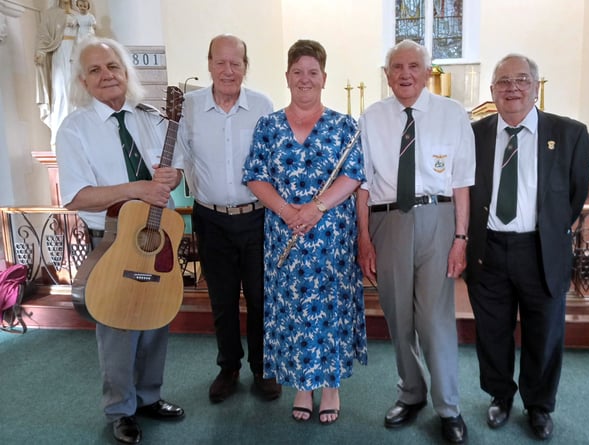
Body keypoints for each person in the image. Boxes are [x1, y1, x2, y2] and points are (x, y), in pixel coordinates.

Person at [56, 37, 185, 445]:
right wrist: (137, 188)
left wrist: (170, 178)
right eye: (95, 70)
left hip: (151, 233)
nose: (106, 75)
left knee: (155, 320)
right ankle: (120, 410)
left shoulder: (149, 117)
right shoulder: (75, 129)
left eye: (112, 66)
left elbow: (174, 169)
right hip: (109, 239)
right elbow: (77, 196)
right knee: (116, 328)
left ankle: (149, 397)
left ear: (125, 71)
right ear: (83, 80)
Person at [465, 54, 589, 441]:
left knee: (544, 332)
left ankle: (539, 405)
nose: (512, 88)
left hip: (540, 250)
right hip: (489, 249)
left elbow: (575, 195)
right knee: (493, 331)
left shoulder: (570, 134)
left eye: (521, 80)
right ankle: (500, 395)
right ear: (492, 91)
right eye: (503, 81)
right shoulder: (474, 134)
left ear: (536, 87)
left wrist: (548, 232)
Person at [243, 39, 367, 425]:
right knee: (293, 312)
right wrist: (285, 210)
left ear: (324, 78)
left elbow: (354, 175)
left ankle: (329, 387)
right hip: (284, 236)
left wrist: (315, 208)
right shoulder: (267, 126)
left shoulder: (345, 125)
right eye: (297, 72)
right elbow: (254, 176)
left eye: (313, 72)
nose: (305, 79)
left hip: (330, 238)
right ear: (287, 76)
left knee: (329, 312)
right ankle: (302, 385)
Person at [356, 39, 473, 444]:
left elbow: (460, 185)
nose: (405, 74)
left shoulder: (453, 114)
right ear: (387, 74)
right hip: (387, 222)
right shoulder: (370, 118)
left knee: (435, 320)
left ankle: (448, 407)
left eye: (413, 66)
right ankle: (411, 392)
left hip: (438, 219)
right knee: (398, 318)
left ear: (426, 72)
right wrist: (363, 239)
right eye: (397, 67)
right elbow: (363, 186)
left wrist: (461, 238)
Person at [175, 34, 281, 403]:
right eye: (220, 62)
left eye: (236, 63)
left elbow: (275, 164)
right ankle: (229, 367)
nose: (228, 70)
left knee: (259, 298)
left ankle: (262, 367)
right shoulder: (188, 108)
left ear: (245, 67)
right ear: (209, 65)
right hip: (211, 219)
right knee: (220, 299)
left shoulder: (263, 106)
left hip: (256, 217)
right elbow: (176, 161)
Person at [35, 0, 78, 146]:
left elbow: (87, 34)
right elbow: (43, 36)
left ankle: (81, 132)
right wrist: (41, 51)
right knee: (61, 92)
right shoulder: (50, 14)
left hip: (77, 54)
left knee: (79, 92)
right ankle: (61, 133)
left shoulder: (79, 14)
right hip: (59, 53)